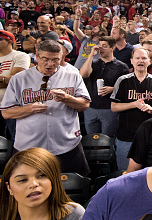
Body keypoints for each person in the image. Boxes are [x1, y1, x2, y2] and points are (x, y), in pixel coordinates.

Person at [1, 40, 91, 175]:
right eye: (45, 59)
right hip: (29, 146)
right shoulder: (19, 79)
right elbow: (6, 113)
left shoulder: (72, 76)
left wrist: (67, 99)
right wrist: (29, 108)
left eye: (55, 60)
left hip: (66, 144)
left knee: (74, 184)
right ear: (37, 57)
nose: (50, 64)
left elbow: (85, 104)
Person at [0, 147, 85, 220]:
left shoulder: (73, 215)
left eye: (42, 175)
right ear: (9, 187)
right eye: (22, 180)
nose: (33, 184)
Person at [110, 47, 152, 170]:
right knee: (126, 175)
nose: (140, 61)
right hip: (126, 137)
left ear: (149, 61)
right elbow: (114, 107)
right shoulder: (123, 81)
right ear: (131, 61)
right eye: (137, 58)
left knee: (151, 177)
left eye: (143, 58)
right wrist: (134, 104)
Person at [79, 36, 129, 137]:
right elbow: (82, 75)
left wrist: (113, 89)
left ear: (112, 48)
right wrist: (91, 56)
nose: (100, 49)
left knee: (108, 140)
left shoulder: (122, 67)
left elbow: (127, 88)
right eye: (100, 46)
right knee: (91, 140)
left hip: (109, 109)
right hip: (91, 108)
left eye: (104, 46)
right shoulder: (93, 63)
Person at [0, 30, 30, 139]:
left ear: (9, 41)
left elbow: (15, 80)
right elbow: (8, 79)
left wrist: (8, 79)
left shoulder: (20, 56)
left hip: (11, 106)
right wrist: (4, 79)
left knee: (14, 139)